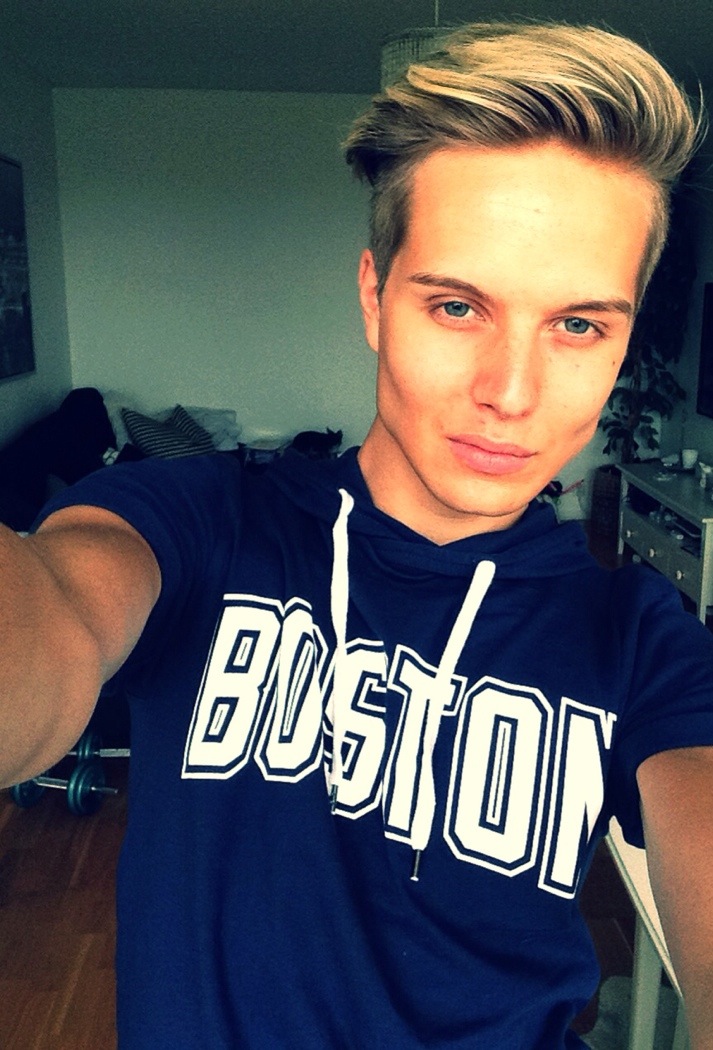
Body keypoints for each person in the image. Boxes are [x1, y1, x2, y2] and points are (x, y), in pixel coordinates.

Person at [2, 19, 712, 1050]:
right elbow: (44, 636)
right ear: (376, 299)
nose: (511, 393)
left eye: (576, 325)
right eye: (458, 306)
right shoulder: (192, 523)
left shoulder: (641, 640)